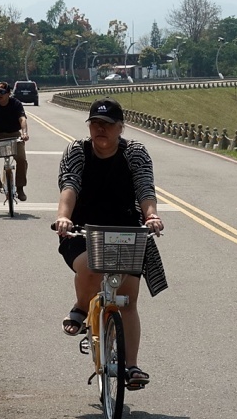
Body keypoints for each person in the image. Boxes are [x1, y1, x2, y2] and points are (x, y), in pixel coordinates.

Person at [53, 97, 166, 390]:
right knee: (90, 267)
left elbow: (145, 186)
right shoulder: (77, 150)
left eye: (107, 125)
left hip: (126, 231)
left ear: (120, 128)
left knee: (127, 300)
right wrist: (63, 218)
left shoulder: (135, 153)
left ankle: (131, 366)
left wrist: (151, 215)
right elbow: (70, 184)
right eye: (95, 124)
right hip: (81, 231)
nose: (99, 130)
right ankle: (80, 308)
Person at [0, 81, 29, 200]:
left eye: (2, 92)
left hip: (14, 135)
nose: (0, 94)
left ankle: (20, 188)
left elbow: (22, 119)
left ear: (8, 93)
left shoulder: (16, 104)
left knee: (22, 160)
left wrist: (24, 133)